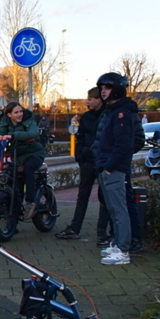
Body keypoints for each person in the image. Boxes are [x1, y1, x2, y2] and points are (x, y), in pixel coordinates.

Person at [94, 72, 137, 266]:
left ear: (117, 89)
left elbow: (123, 144)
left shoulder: (122, 113)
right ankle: (117, 244)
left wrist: (110, 167)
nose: (103, 92)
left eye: (107, 88)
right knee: (112, 208)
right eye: (101, 88)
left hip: (114, 169)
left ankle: (123, 250)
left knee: (119, 210)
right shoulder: (111, 111)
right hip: (106, 166)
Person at [57, 88, 103, 240]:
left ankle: (103, 231)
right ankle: (75, 227)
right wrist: (80, 156)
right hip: (87, 161)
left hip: (102, 161)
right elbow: (81, 137)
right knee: (83, 194)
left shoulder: (107, 116)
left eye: (90, 99)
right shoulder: (86, 117)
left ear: (98, 100)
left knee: (104, 197)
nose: (87, 101)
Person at [0, 101, 46, 219]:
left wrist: (12, 136)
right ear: (9, 115)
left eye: (20, 111)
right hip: (17, 156)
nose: (20, 114)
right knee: (11, 176)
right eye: (16, 112)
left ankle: (30, 202)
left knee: (28, 167)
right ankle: (12, 215)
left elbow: (34, 133)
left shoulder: (28, 120)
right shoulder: (6, 123)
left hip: (34, 153)